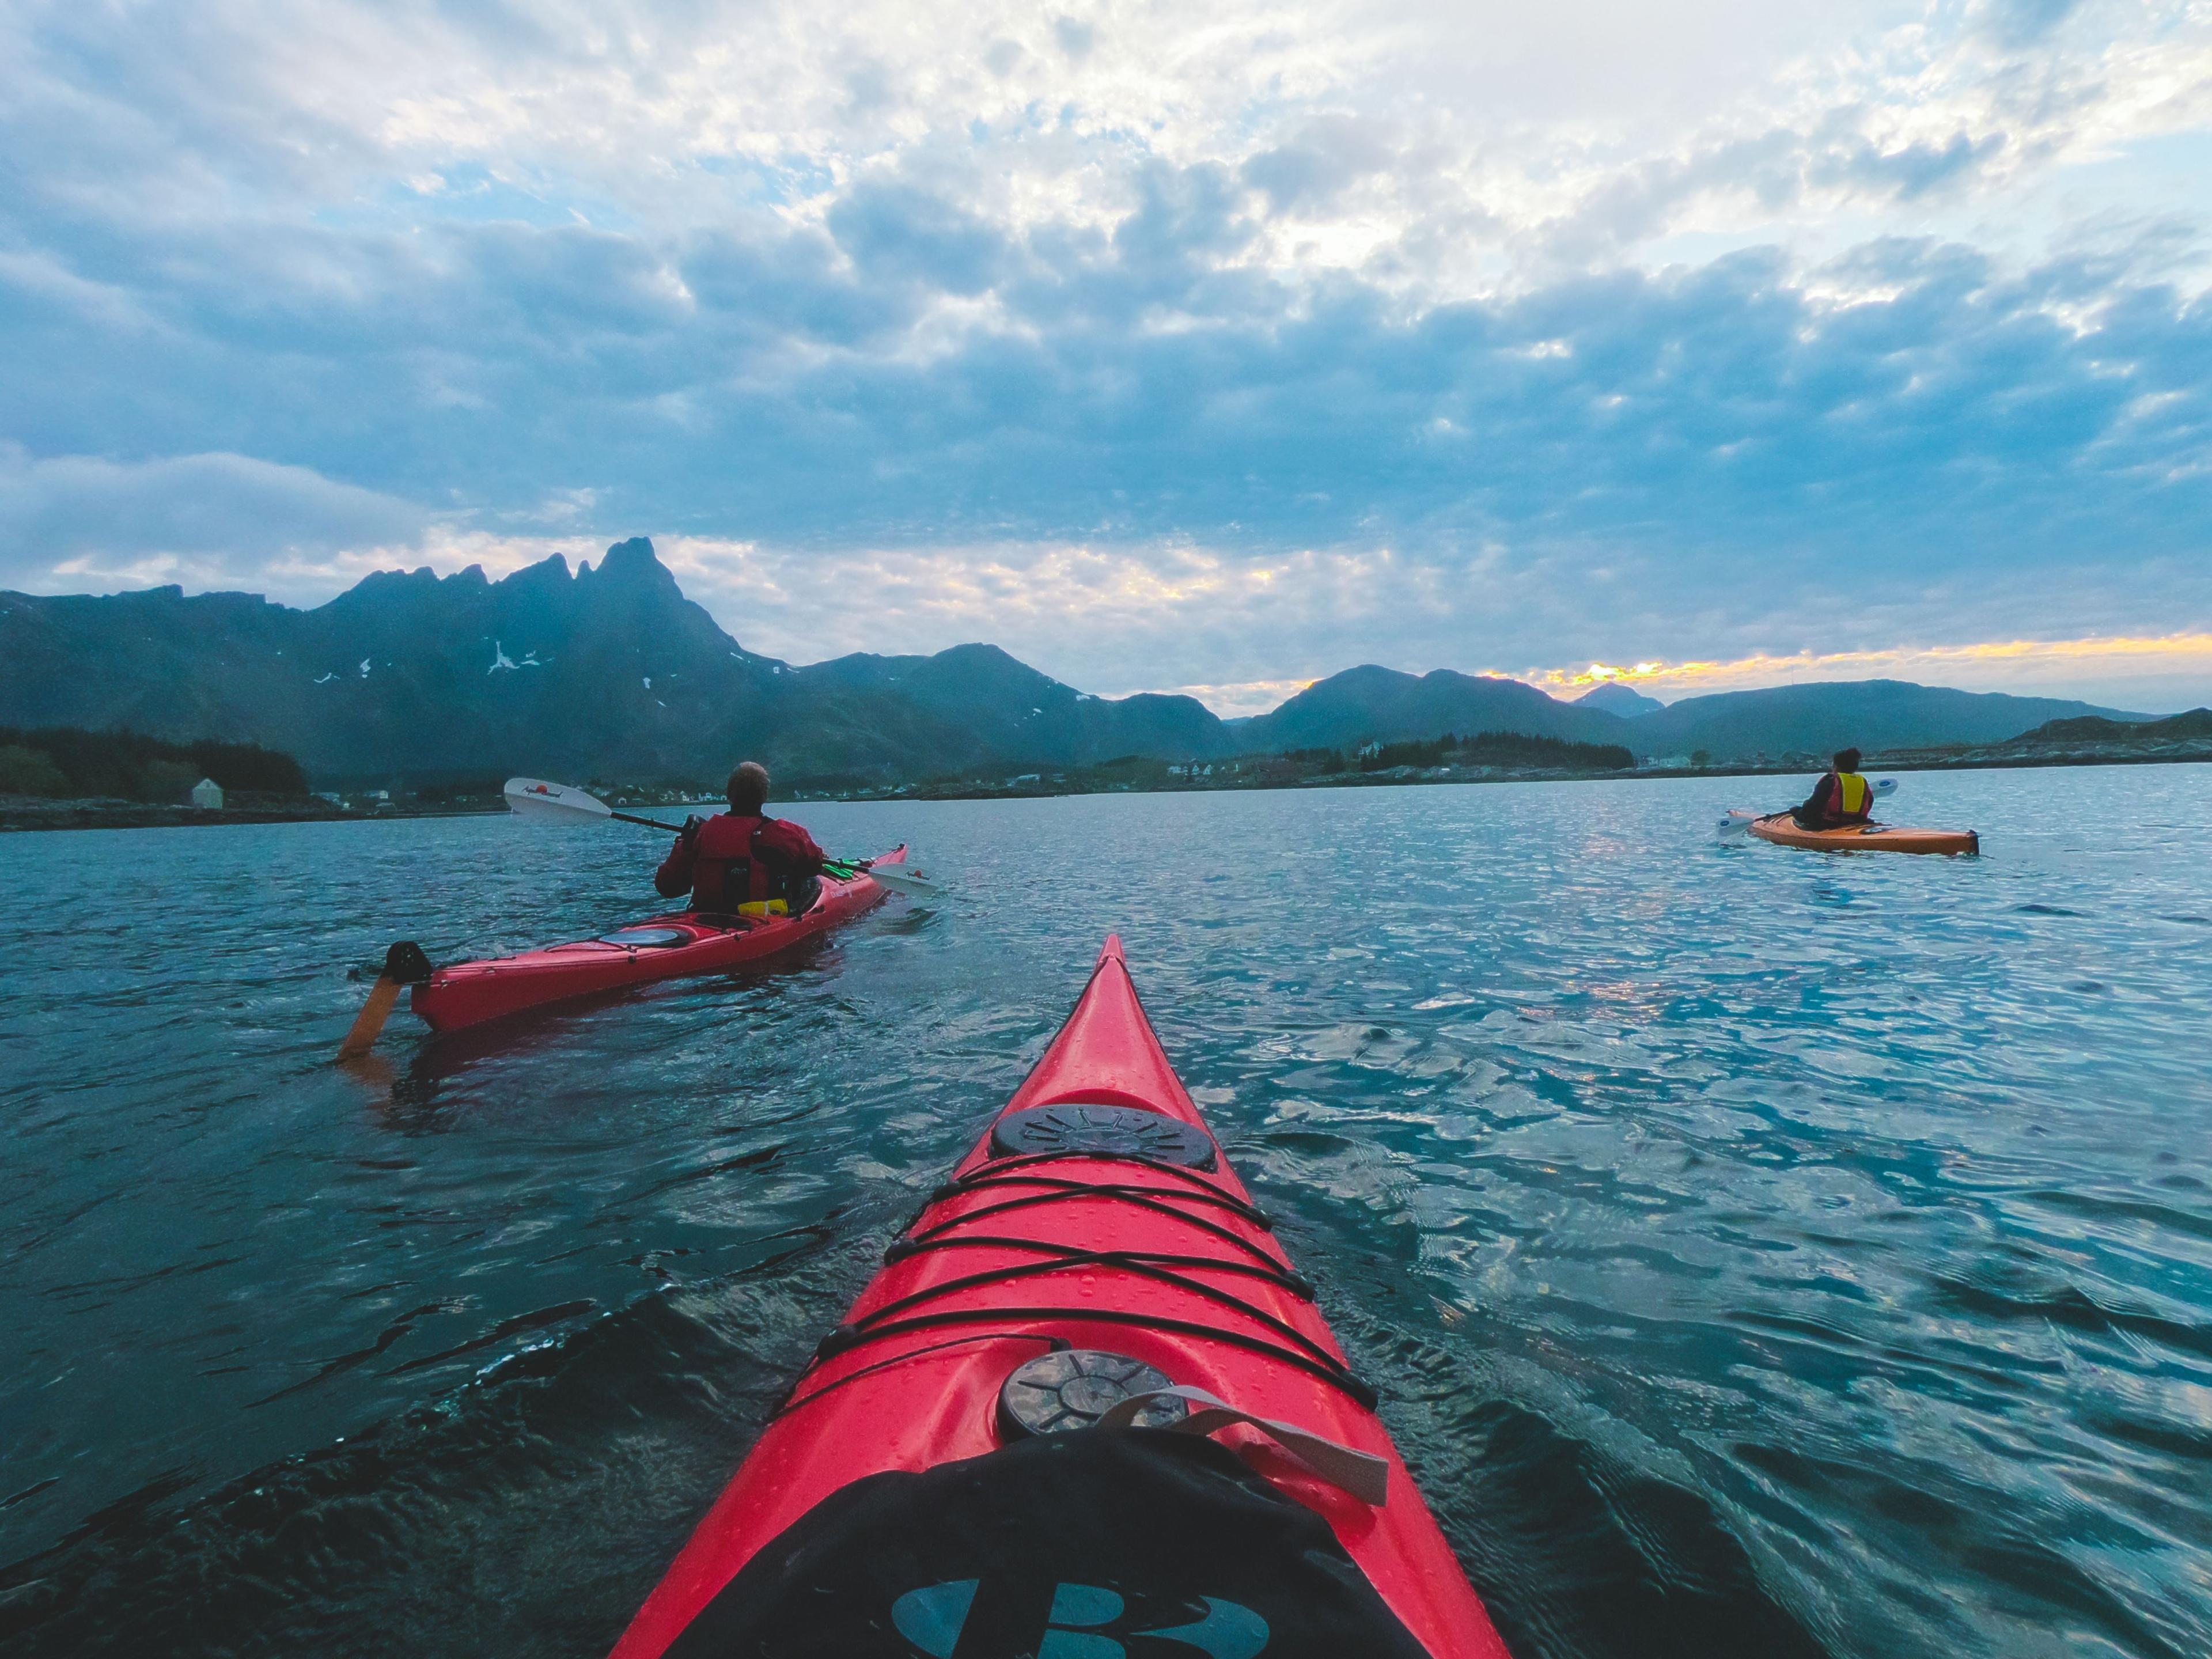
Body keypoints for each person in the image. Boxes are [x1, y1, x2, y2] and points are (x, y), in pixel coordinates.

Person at [656, 762, 830, 918]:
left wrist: (684, 844)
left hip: (704, 917)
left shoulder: (700, 834)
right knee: (812, 882)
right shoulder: (781, 833)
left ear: (729, 794)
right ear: (764, 796)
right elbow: (814, 865)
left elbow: (667, 887)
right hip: (756, 920)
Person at [1793, 747, 1876, 830]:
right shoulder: (1863, 783)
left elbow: (1812, 807)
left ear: (1836, 766)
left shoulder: (1829, 782)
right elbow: (1869, 803)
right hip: (1858, 822)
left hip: (1830, 824)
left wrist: (1797, 812)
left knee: (1795, 810)